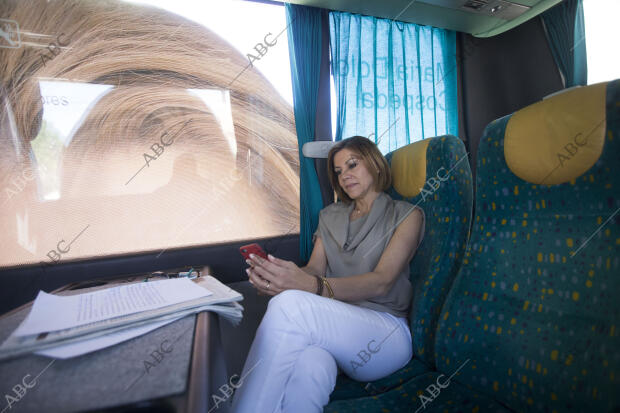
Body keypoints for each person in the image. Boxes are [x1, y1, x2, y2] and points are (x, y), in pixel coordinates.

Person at [232, 136, 425, 413]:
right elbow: (313, 270)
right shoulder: (330, 216)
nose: (345, 175)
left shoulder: (406, 215)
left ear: (375, 164)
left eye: (352, 165)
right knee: (309, 367)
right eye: (338, 171)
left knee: (290, 307)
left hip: (386, 335)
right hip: (337, 333)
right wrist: (279, 277)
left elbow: (382, 282)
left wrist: (310, 287)